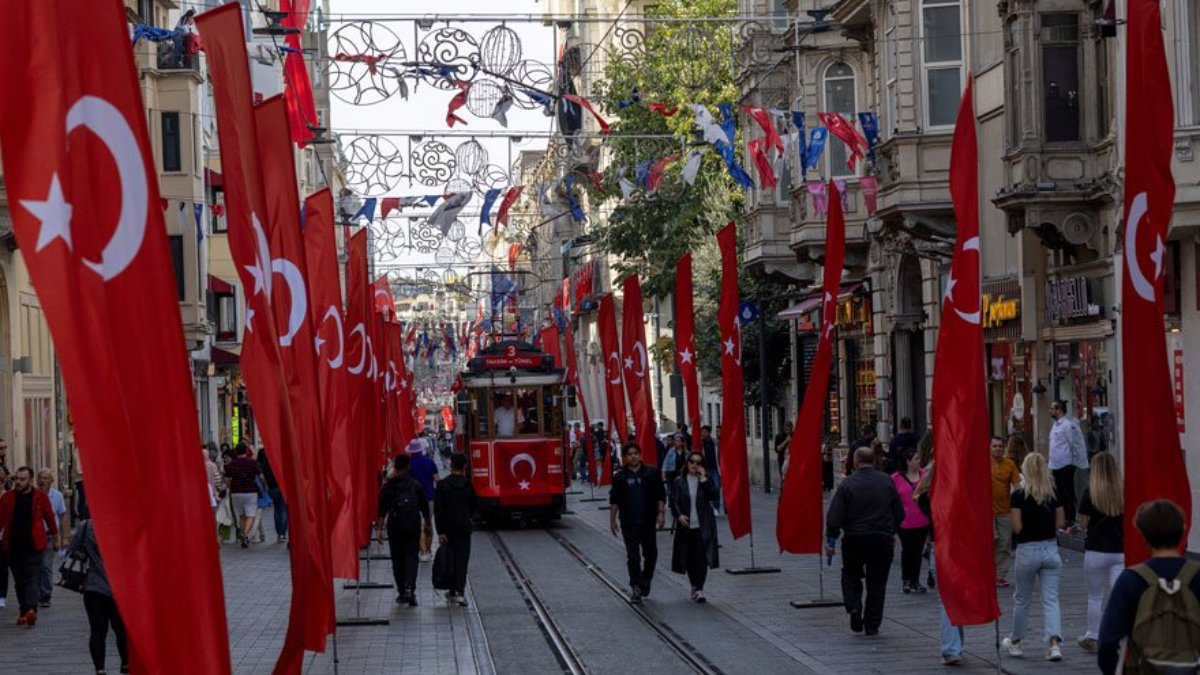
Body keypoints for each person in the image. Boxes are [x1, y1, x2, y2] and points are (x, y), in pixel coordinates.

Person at [1098, 500, 1200, 675]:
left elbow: (1108, 641)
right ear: (1183, 530)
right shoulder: (1197, 576)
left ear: (1143, 535)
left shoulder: (1131, 579)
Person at [826, 447, 905, 636]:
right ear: (874, 461)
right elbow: (900, 513)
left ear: (855, 462)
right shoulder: (886, 481)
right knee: (877, 582)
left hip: (855, 537)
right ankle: (872, 624)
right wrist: (891, 530)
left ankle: (854, 606)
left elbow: (835, 516)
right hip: (881, 538)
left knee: (851, 574)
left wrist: (831, 538)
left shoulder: (848, 484)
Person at [1002, 453, 1066, 661]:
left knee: (1022, 599)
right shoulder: (1053, 494)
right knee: (1050, 599)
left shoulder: (1019, 496)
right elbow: (1060, 523)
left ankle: (1016, 641)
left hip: (1027, 549)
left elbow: (1018, 528)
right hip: (1050, 548)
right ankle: (1054, 644)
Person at [913, 462, 966, 665]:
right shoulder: (949, 494)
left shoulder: (928, 497)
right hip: (957, 548)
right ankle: (954, 646)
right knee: (953, 599)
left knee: (949, 599)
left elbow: (919, 493)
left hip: (942, 548)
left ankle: (953, 647)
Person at [65, 518, 129, 674]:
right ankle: (126, 663)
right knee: (121, 629)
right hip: (120, 589)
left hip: (93, 588)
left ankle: (100, 668)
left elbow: (70, 552)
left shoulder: (86, 527)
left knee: (98, 630)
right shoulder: (123, 525)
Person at [1076, 452, 1124, 653]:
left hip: (1096, 550)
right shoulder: (1123, 491)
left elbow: (1084, 523)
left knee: (1095, 596)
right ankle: (1121, 636)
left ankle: (1093, 636)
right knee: (1119, 596)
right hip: (1120, 550)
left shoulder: (1090, 493)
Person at [609, 441, 666, 604]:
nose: (633, 456)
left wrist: (661, 514)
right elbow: (614, 500)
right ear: (625, 457)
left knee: (651, 554)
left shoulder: (652, 473)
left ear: (640, 455)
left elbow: (660, 495)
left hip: (648, 520)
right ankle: (636, 587)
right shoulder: (620, 477)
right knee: (633, 556)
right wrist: (612, 521)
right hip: (629, 522)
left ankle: (646, 579)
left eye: (635, 453)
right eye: (629, 454)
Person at [0, 467, 59, 625]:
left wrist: (56, 536)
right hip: (12, 546)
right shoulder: (7, 498)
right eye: (17, 479)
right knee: (19, 580)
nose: (18, 482)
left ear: (30, 481)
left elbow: (50, 517)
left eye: (22, 479)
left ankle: (31, 609)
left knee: (32, 577)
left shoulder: (40, 497)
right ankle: (23, 610)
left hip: (34, 545)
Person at [378, 454, 431, 607]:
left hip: (395, 527)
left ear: (395, 468)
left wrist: (380, 530)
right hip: (412, 526)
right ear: (408, 467)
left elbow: (382, 509)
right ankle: (410, 589)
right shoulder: (415, 485)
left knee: (397, 559)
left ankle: (401, 591)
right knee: (412, 557)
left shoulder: (389, 486)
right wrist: (428, 524)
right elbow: (424, 506)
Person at [670, 451, 719, 603]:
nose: (694, 465)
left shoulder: (706, 480)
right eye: (692, 462)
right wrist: (679, 516)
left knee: (702, 558)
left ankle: (699, 589)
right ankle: (694, 585)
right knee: (690, 558)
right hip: (686, 526)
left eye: (698, 463)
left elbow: (713, 496)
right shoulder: (679, 481)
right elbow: (673, 501)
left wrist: (703, 478)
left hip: (703, 525)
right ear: (687, 463)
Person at [434, 453, 476, 607]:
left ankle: (452, 591)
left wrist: (441, 531)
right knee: (462, 560)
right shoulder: (467, 484)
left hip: (448, 528)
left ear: (451, 465)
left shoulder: (443, 485)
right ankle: (460, 591)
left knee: (450, 559)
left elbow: (438, 510)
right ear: (464, 467)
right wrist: (467, 517)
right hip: (464, 527)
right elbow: (473, 505)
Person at [891, 448, 929, 594]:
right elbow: (892, 500)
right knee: (908, 550)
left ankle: (916, 580)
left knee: (918, 551)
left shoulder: (924, 475)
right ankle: (906, 579)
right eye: (916, 459)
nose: (919, 462)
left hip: (922, 519)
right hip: (904, 521)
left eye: (919, 459)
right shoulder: (896, 478)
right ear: (908, 462)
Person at [1047, 399, 1087, 529]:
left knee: (1067, 492)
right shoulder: (1055, 425)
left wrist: (1074, 462)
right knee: (1059, 492)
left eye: (1052, 408)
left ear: (1059, 410)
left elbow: (1074, 443)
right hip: (1056, 464)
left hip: (1066, 464)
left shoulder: (1067, 425)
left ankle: (1070, 517)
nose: (1050, 410)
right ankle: (1063, 517)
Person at [990, 436, 1022, 587]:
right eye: (994, 446)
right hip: (986, 512)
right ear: (989, 448)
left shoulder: (1009, 464)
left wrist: (1022, 504)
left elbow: (1017, 487)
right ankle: (987, 573)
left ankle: (999, 575)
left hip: (1005, 510)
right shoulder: (982, 463)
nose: (998, 449)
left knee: (1004, 543)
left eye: (1000, 446)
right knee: (990, 542)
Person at [35, 468, 67, 608]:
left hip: (49, 535)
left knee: (46, 565)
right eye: (40, 478)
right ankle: (34, 593)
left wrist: (64, 537)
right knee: (34, 566)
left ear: (51, 481)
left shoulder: (58, 496)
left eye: (46, 478)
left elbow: (63, 516)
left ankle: (46, 595)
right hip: (34, 536)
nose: (42, 481)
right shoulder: (32, 495)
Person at [406, 439, 439, 562]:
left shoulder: (408, 464)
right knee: (428, 523)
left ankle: (422, 551)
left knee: (418, 526)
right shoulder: (430, 462)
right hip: (429, 497)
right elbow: (437, 480)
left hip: (413, 499)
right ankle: (429, 550)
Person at [223, 443, 262, 548]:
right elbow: (260, 476)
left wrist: (230, 487)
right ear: (246, 451)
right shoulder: (252, 462)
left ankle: (243, 534)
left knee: (241, 515)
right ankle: (245, 534)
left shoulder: (232, 464)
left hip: (236, 492)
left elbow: (226, 478)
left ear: (236, 452)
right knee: (250, 515)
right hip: (250, 491)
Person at [257, 449, 287, 543]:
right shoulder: (282, 460)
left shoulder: (267, 463)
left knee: (277, 509)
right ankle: (282, 534)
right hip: (282, 486)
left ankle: (279, 533)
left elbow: (263, 475)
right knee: (283, 510)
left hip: (272, 487)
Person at [662, 434, 684, 522]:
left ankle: (680, 510)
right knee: (671, 493)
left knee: (681, 493)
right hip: (672, 474)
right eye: (675, 441)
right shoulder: (671, 451)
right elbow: (665, 462)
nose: (676, 443)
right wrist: (663, 473)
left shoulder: (686, 452)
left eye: (678, 441)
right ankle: (674, 512)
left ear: (682, 442)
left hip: (681, 475)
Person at [700, 426, 721, 513]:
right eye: (702, 432)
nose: (703, 433)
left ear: (709, 433)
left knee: (716, 488)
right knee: (706, 488)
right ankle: (708, 506)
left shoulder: (715, 443)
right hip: (705, 469)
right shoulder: (701, 443)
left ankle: (716, 507)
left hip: (715, 468)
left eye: (705, 432)